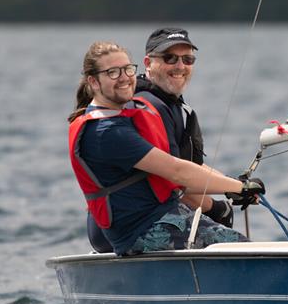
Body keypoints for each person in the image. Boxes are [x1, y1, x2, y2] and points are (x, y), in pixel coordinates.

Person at [68, 41, 264, 255]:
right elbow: (177, 172)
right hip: (143, 230)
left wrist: (235, 184)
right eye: (113, 72)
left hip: (163, 218)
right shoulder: (106, 132)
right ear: (94, 81)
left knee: (241, 245)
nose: (124, 77)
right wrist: (239, 189)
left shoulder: (123, 116)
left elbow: (184, 165)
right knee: (244, 250)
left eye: (127, 69)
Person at [87, 27, 231, 252]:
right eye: (169, 58)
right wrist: (216, 206)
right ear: (148, 62)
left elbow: (190, 166)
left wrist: (236, 186)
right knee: (240, 247)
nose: (180, 66)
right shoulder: (147, 107)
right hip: (136, 228)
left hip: (138, 224)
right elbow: (175, 178)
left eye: (188, 59)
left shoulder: (170, 105)